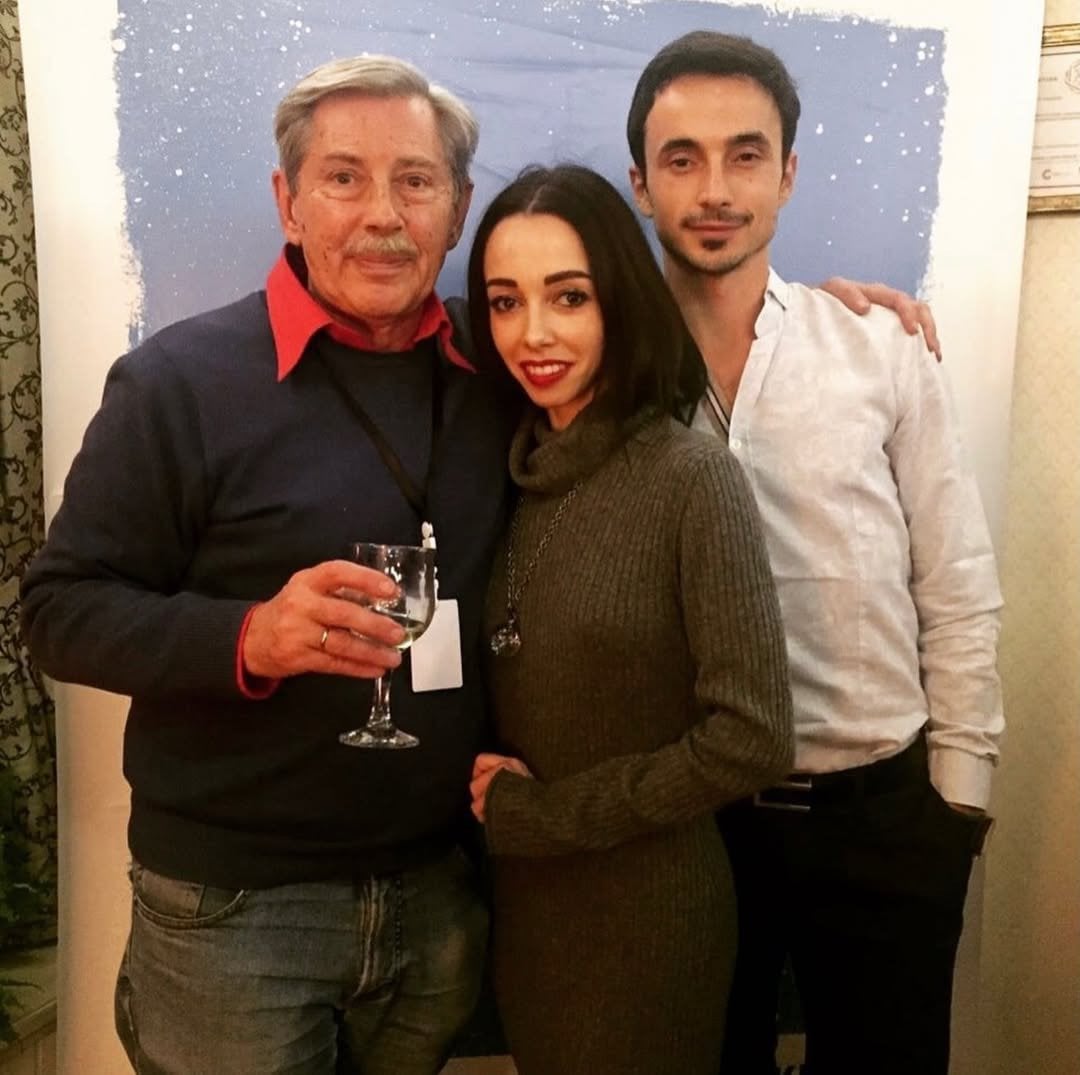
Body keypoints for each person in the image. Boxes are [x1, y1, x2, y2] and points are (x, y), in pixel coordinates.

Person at [20, 55, 515, 1075]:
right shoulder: (176, 383)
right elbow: (58, 611)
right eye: (344, 178)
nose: (383, 214)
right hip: (236, 913)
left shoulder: (503, 365)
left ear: (459, 209)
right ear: (288, 203)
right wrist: (250, 636)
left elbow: (647, 340)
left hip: (439, 895)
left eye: (416, 181)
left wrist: (830, 318)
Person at [626, 31, 1004, 1075]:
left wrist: (958, 799)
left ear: (788, 174)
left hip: (883, 820)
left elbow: (956, 579)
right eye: (682, 159)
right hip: (691, 830)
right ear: (641, 184)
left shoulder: (880, 346)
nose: (715, 189)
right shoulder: (601, 372)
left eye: (745, 155)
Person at [464, 163, 795, 1075]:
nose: (533, 332)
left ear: (620, 298)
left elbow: (755, 737)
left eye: (568, 296)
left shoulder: (690, 477)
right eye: (505, 301)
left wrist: (550, 814)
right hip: (531, 914)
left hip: (651, 916)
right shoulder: (510, 476)